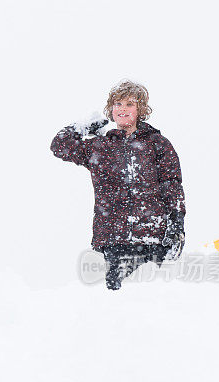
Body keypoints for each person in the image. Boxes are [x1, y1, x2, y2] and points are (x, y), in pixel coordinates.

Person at [50, 79, 187, 290]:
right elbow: (59, 145)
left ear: (140, 109)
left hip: (152, 237)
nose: (122, 109)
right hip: (114, 238)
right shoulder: (101, 146)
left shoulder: (157, 144)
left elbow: (172, 187)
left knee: (153, 303)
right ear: (111, 109)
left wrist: (176, 227)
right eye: (118, 104)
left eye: (129, 104)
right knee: (119, 306)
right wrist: (85, 126)